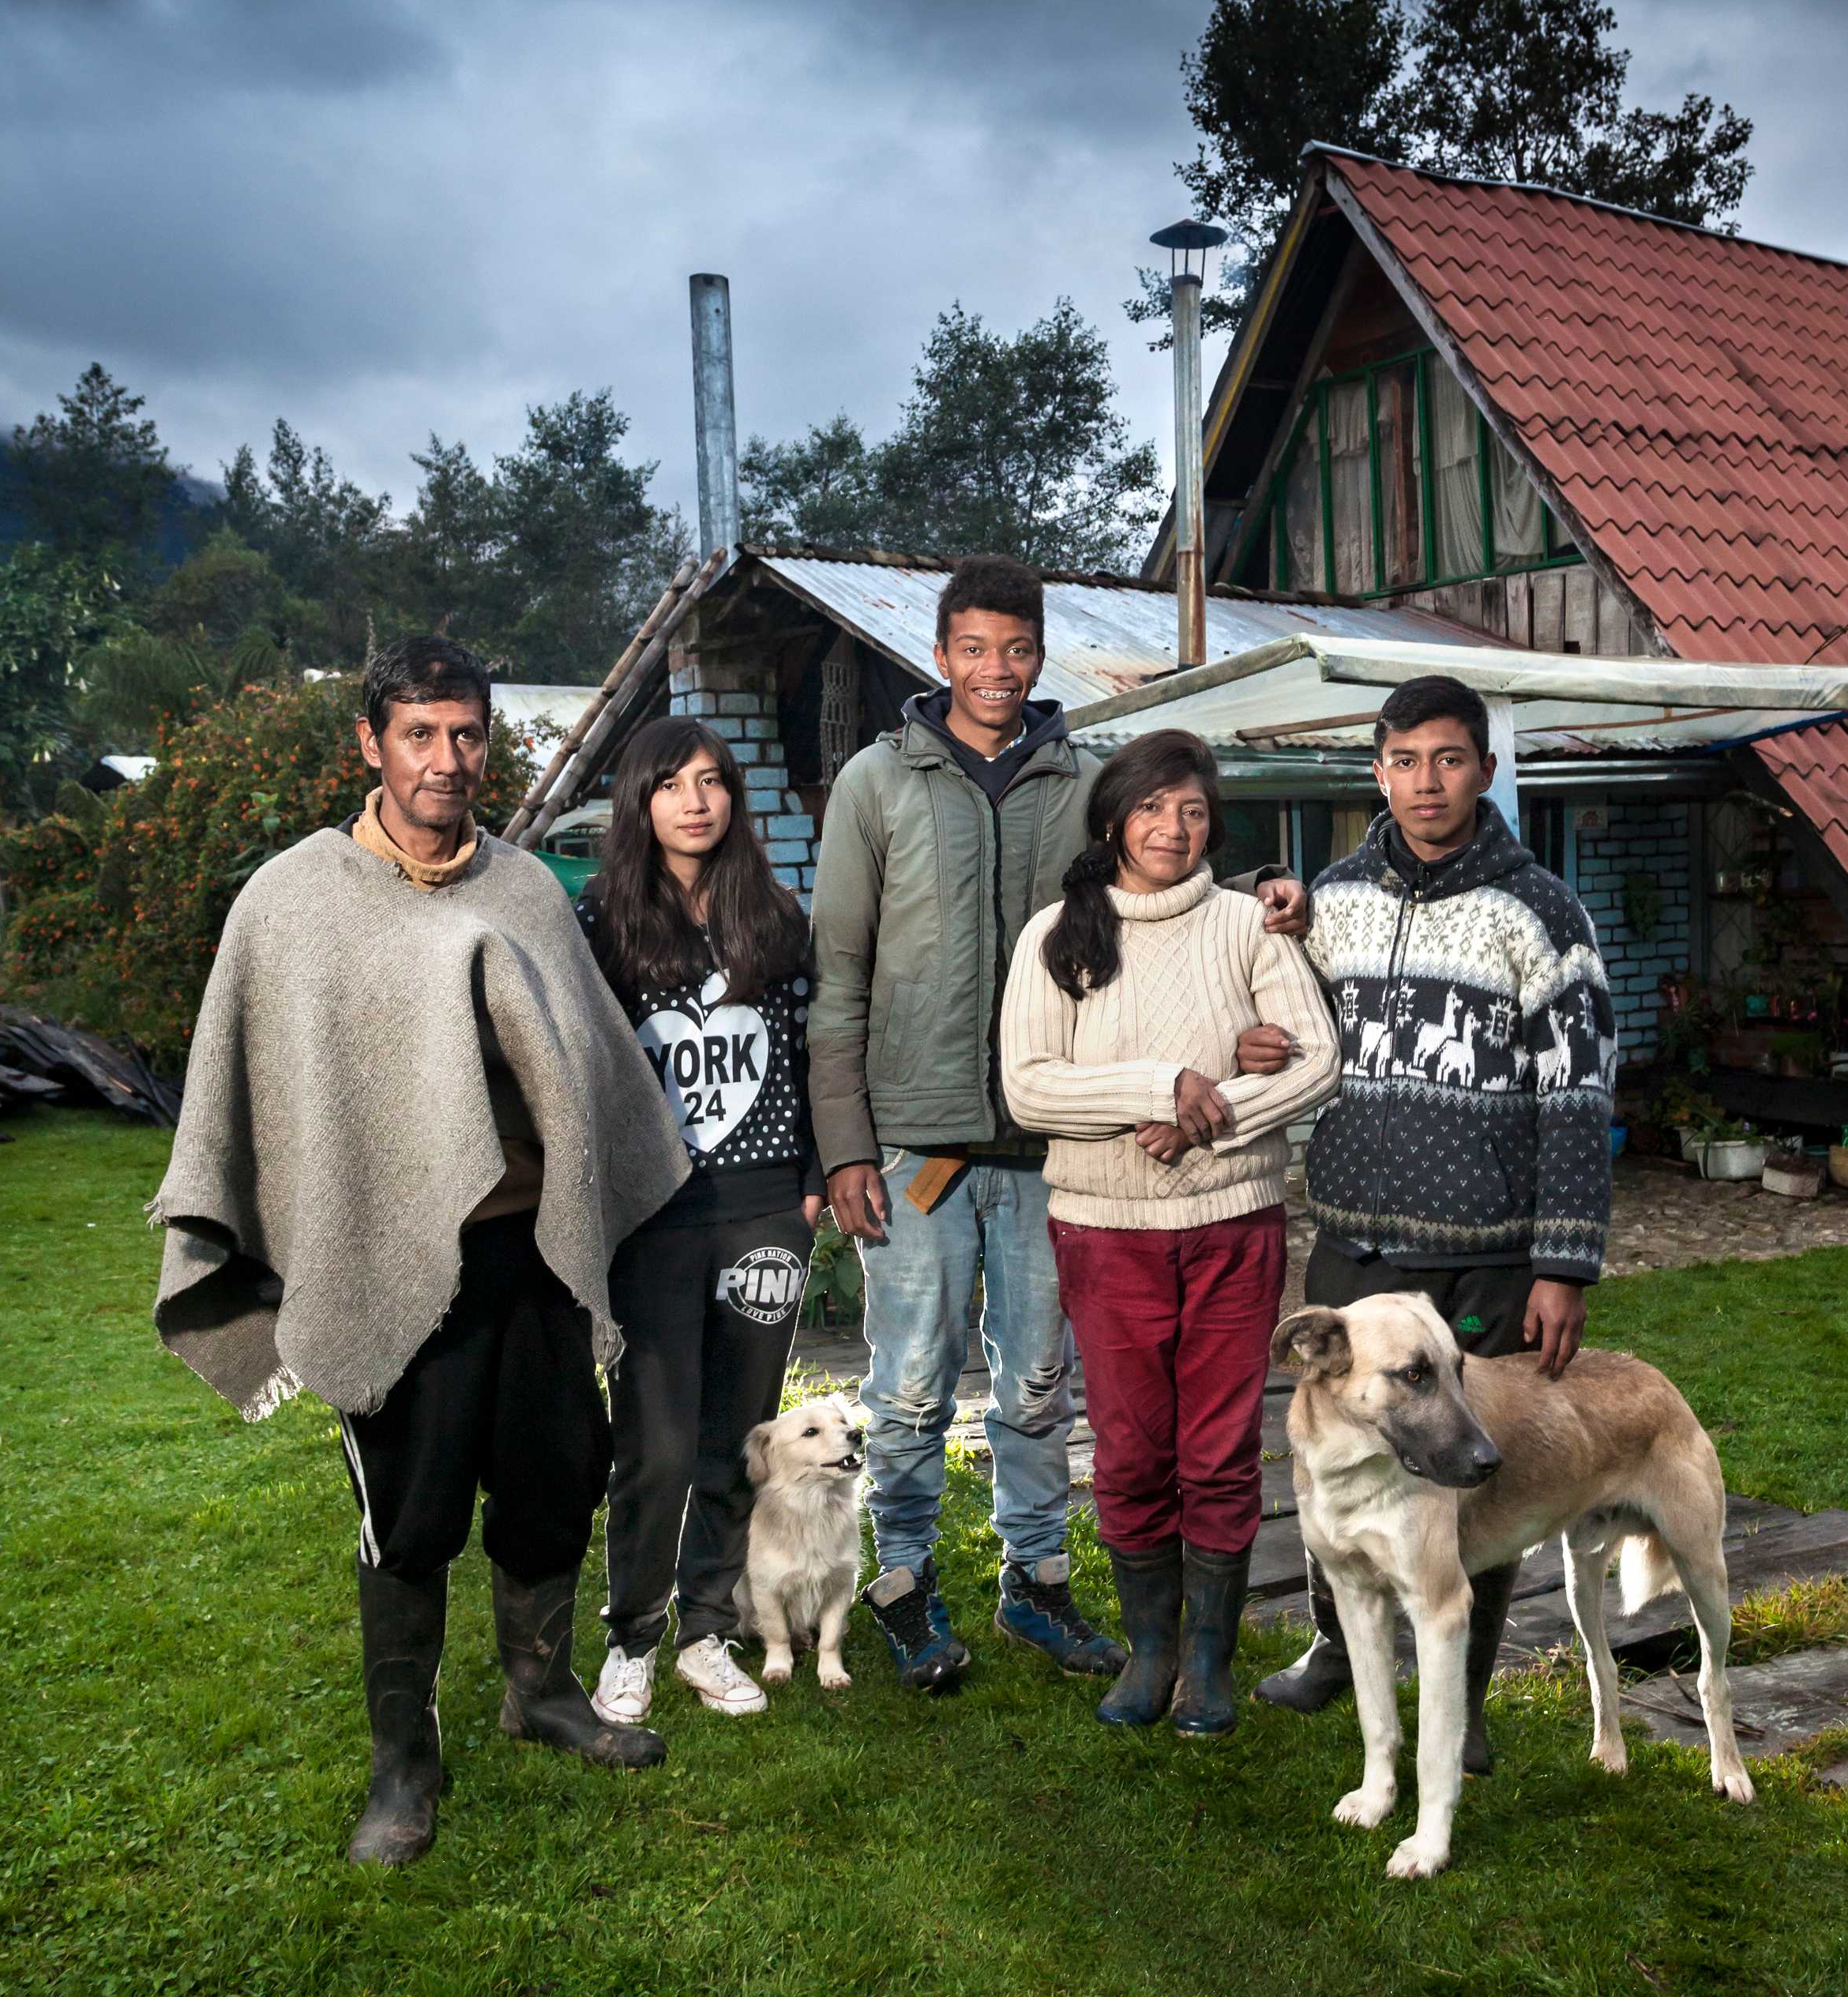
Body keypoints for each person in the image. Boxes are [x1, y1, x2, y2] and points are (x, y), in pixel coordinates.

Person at [152, 635, 694, 1867]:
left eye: (466, 735)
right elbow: (251, 1091)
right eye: (420, 735)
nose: (447, 761)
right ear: (369, 744)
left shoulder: (522, 891)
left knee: (557, 1480)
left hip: (534, 1255)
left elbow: (591, 1074)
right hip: (391, 1267)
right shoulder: (291, 901)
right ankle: (404, 1763)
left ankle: (540, 1693)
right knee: (410, 1517)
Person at [1250, 675, 1616, 1728]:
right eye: (1404, 760)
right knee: (1331, 1456)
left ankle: (1464, 1690)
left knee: (1468, 1473)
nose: (1426, 782)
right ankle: (1334, 1646)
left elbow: (1578, 1093)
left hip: (1488, 1256)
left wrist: (1562, 1263)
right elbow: (1276, 994)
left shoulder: (1541, 910)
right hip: (1355, 1251)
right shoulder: (1333, 898)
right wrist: (1257, 1033)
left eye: (1448, 759)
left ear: (1485, 772)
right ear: (1377, 771)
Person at [807, 554, 1125, 1690]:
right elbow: (837, 974)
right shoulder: (876, 785)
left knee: (1038, 1382)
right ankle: (902, 1583)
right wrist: (844, 1144)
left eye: (1018, 649)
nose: (997, 670)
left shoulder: (1086, 780)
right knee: (905, 1391)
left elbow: (1162, 909)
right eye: (975, 649)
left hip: (1052, 1145)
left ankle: (1036, 1584)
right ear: (939, 656)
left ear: (1042, 656)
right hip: (917, 1147)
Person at [999, 731, 1339, 1736]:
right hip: (1105, 1233)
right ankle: (1149, 1651)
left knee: (1219, 1450)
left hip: (1234, 1223)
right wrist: (1161, 1085)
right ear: (1113, 818)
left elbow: (1316, 1057)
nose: (1171, 828)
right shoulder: (1056, 936)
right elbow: (1027, 1087)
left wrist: (1209, 1108)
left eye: (1192, 810)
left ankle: (1208, 1660)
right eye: (1152, 808)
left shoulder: (1250, 925)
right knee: (1132, 1448)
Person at [577, 716, 825, 1727]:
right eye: (672, 782)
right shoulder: (597, 920)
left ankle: (707, 1628)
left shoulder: (774, 913)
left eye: (713, 780)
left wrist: (811, 1181)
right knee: (658, 1439)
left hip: (765, 1206)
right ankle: (631, 1632)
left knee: (738, 1435)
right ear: (640, 799)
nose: (695, 799)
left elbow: (819, 1048)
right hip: (654, 1214)